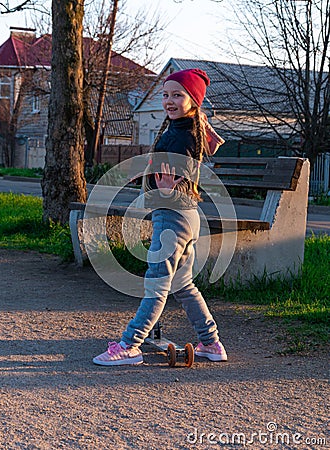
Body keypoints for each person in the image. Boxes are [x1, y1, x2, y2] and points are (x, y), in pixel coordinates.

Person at [93, 68, 227, 366]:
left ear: (193, 100)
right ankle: (211, 343)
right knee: (182, 284)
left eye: (178, 95)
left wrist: (165, 187)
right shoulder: (184, 128)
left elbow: (179, 170)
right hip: (186, 215)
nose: (169, 100)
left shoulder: (182, 136)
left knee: (157, 284)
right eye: (165, 95)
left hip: (172, 216)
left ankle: (129, 345)